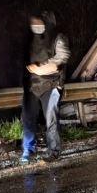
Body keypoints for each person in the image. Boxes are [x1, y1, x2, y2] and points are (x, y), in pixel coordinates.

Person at [20, 11, 70, 164]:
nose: (36, 26)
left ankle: (53, 151)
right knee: (28, 118)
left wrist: (40, 68)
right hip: (33, 86)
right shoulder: (30, 40)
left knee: (51, 118)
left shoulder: (58, 38)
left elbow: (60, 59)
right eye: (33, 23)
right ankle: (28, 149)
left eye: (39, 23)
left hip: (51, 84)